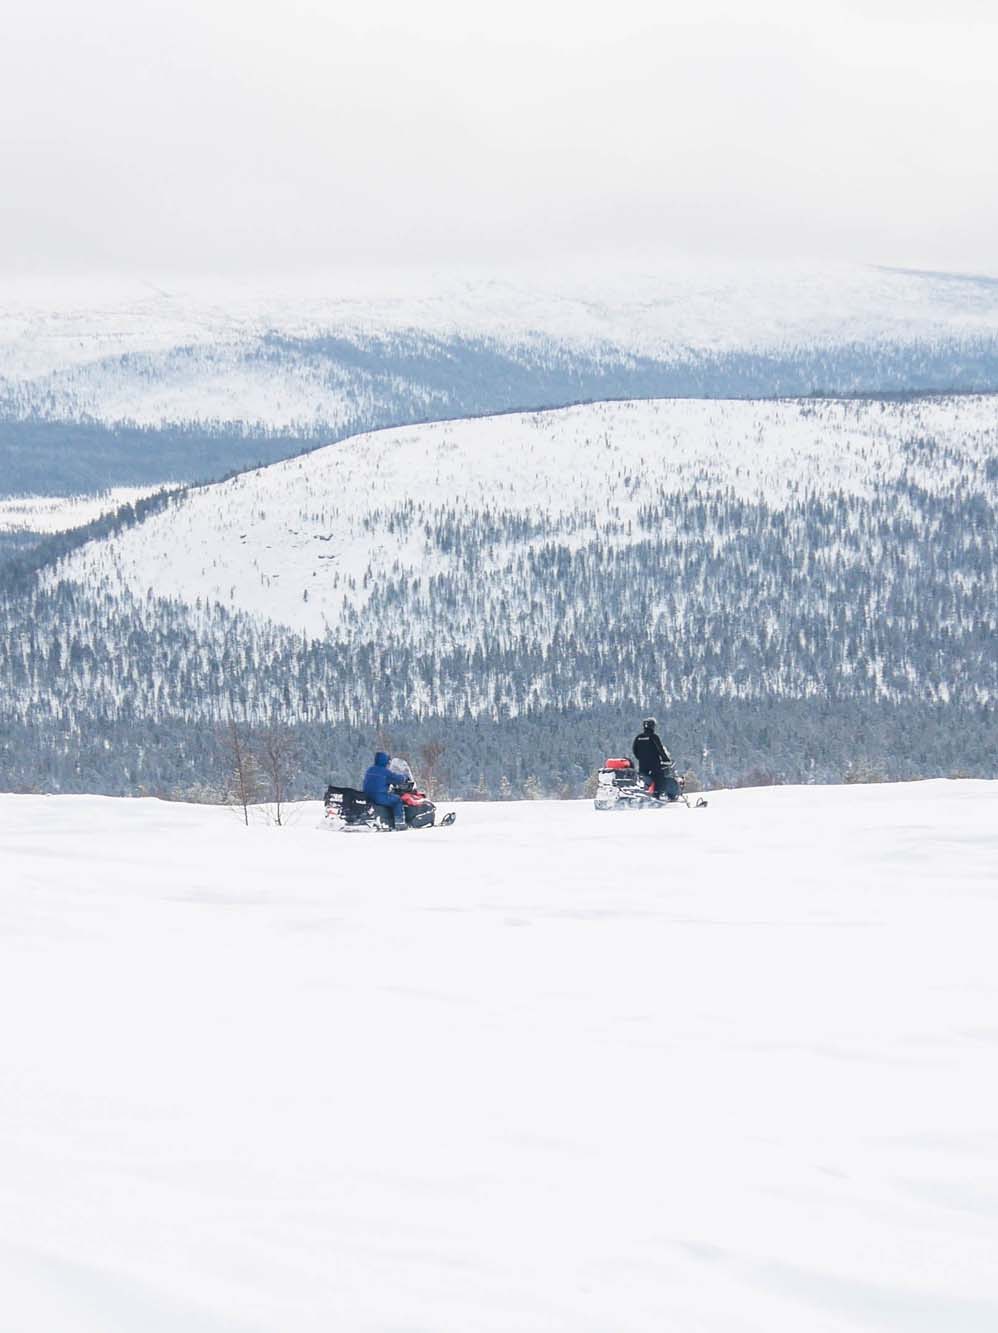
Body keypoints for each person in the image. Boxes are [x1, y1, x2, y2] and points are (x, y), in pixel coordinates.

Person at [632, 717, 680, 801]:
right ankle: (658, 796)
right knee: (659, 777)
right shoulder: (654, 737)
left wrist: (641, 758)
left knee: (644, 778)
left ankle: (646, 795)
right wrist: (666, 760)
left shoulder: (638, 737)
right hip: (654, 763)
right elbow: (660, 749)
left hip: (642, 764)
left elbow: (635, 750)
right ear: (653, 726)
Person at [362, 750, 407, 829]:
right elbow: (397, 779)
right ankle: (399, 823)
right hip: (379, 796)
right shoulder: (385, 772)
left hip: (367, 795)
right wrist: (404, 777)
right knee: (397, 800)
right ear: (385, 761)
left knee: (391, 797)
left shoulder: (370, 769)